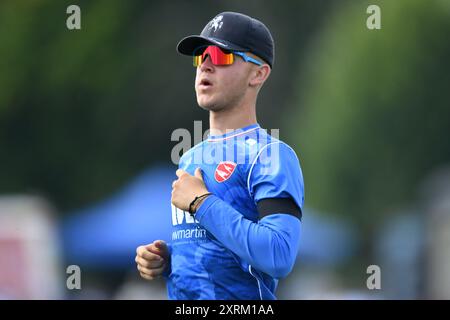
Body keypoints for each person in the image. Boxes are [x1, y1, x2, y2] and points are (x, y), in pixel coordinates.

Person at [135, 11, 304, 300]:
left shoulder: (271, 155)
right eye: (201, 56)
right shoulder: (189, 158)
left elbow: (278, 255)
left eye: (221, 55)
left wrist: (202, 202)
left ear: (258, 73)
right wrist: (167, 261)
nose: (206, 65)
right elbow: (214, 255)